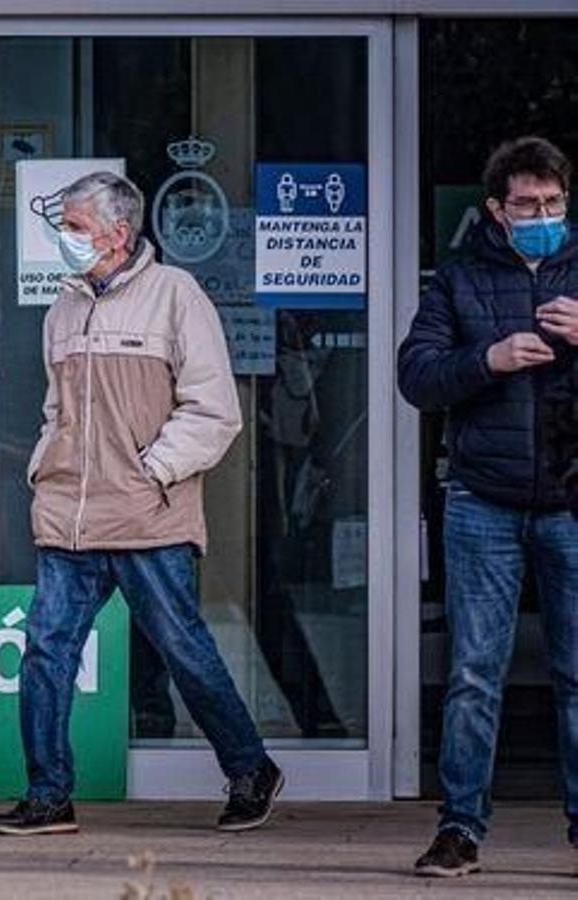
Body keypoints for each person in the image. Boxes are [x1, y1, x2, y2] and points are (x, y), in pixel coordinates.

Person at [0, 171, 283, 837]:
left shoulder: (177, 295)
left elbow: (215, 412)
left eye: (75, 227)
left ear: (118, 234)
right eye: (62, 225)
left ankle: (249, 769)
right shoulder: (63, 305)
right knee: (44, 652)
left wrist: (153, 472)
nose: (64, 238)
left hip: (148, 515)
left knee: (184, 652)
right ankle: (48, 794)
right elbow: (57, 408)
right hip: (69, 516)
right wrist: (46, 465)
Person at [398, 135, 578, 878]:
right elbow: (417, 375)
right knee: (475, 670)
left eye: (556, 204)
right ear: (496, 211)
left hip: (571, 499)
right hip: (483, 501)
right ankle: (460, 827)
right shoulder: (459, 281)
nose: (544, 215)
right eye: (529, 205)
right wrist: (489, 360)